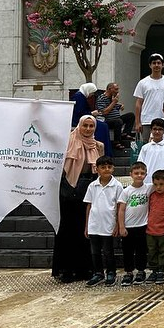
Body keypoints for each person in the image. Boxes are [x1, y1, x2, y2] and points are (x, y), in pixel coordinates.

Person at [53, 115, 104, 283]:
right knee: (68, 230)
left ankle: (84, 269)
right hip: (69, 189)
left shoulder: (98, 146)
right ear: (80, 126)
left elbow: (101, 168)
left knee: (85, 230)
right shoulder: (69, 141)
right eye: (85, 126)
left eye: (91, 126)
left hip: (88, 189)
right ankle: (66, 269)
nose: (88, 129)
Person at [84, 155, 123, 287]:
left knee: (108, 251)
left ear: (113, 168)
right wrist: (86, 226)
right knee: (95, 251)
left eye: (109, 167)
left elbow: (119, 207)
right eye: (103, 167)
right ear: (97, 169)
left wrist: (118, 224)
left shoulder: (117, 186)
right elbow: (89, 205)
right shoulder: (92, 185)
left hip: (108, 224)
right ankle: (98, 273)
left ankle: (111, 273)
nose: (106, 169)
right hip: (94, 224)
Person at [133, 53, 164, 141]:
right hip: (147, 120)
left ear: (163, 65)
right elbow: (138, 103)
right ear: (150, 65)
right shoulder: (142, 82)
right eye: (154, 63)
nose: (156, 65)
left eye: (158, 63)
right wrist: (137, 122)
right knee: (146, 145)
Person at [117, 162, 151, 286]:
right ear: (131, 174)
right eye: (136, 173)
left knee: (141, 250)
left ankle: (141, 271)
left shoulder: (149, 187)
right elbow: (121, 209)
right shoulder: (126, 191)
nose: (139, 175)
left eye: (142, 173)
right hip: (128, 226)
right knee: (128, 251)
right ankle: (129, 272)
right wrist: (121, 226)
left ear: (146, 174)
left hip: (143, 226)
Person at [145, 169, 164, 285]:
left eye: (161, 184)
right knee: (152, 251)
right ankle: (154, 270)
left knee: (163, 251)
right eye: (156, 184)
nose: (158, 187)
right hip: (151, 230)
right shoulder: (151, 195)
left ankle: (162, 270)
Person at [72, 82, 112, 156]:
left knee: (103, 125)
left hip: (85, 118)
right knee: (103, 126)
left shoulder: (81, 96)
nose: (92, 95)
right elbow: (80, 112)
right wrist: (92, 113)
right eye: (92, 92)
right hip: (80, 120)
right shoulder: (79, 97)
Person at [96, 82, 135, 149]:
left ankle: (125, 134)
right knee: (118, 121)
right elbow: (104, 112)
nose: (117, 91)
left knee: (131, 115)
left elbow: (114, 106)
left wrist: (120, 105)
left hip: (116, 118)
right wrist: (114, 102)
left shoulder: (112, 97)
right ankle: (117, 142)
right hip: (107, 121)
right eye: (116, 89)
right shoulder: (101, 98)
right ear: (110, 89)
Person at [137, 119, 164, 184]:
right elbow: (140, 164)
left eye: (160, 129)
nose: (157, 132)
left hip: (163, 181)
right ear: (151, 130)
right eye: (154, 129)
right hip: (147, 180)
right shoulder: (145, 147)